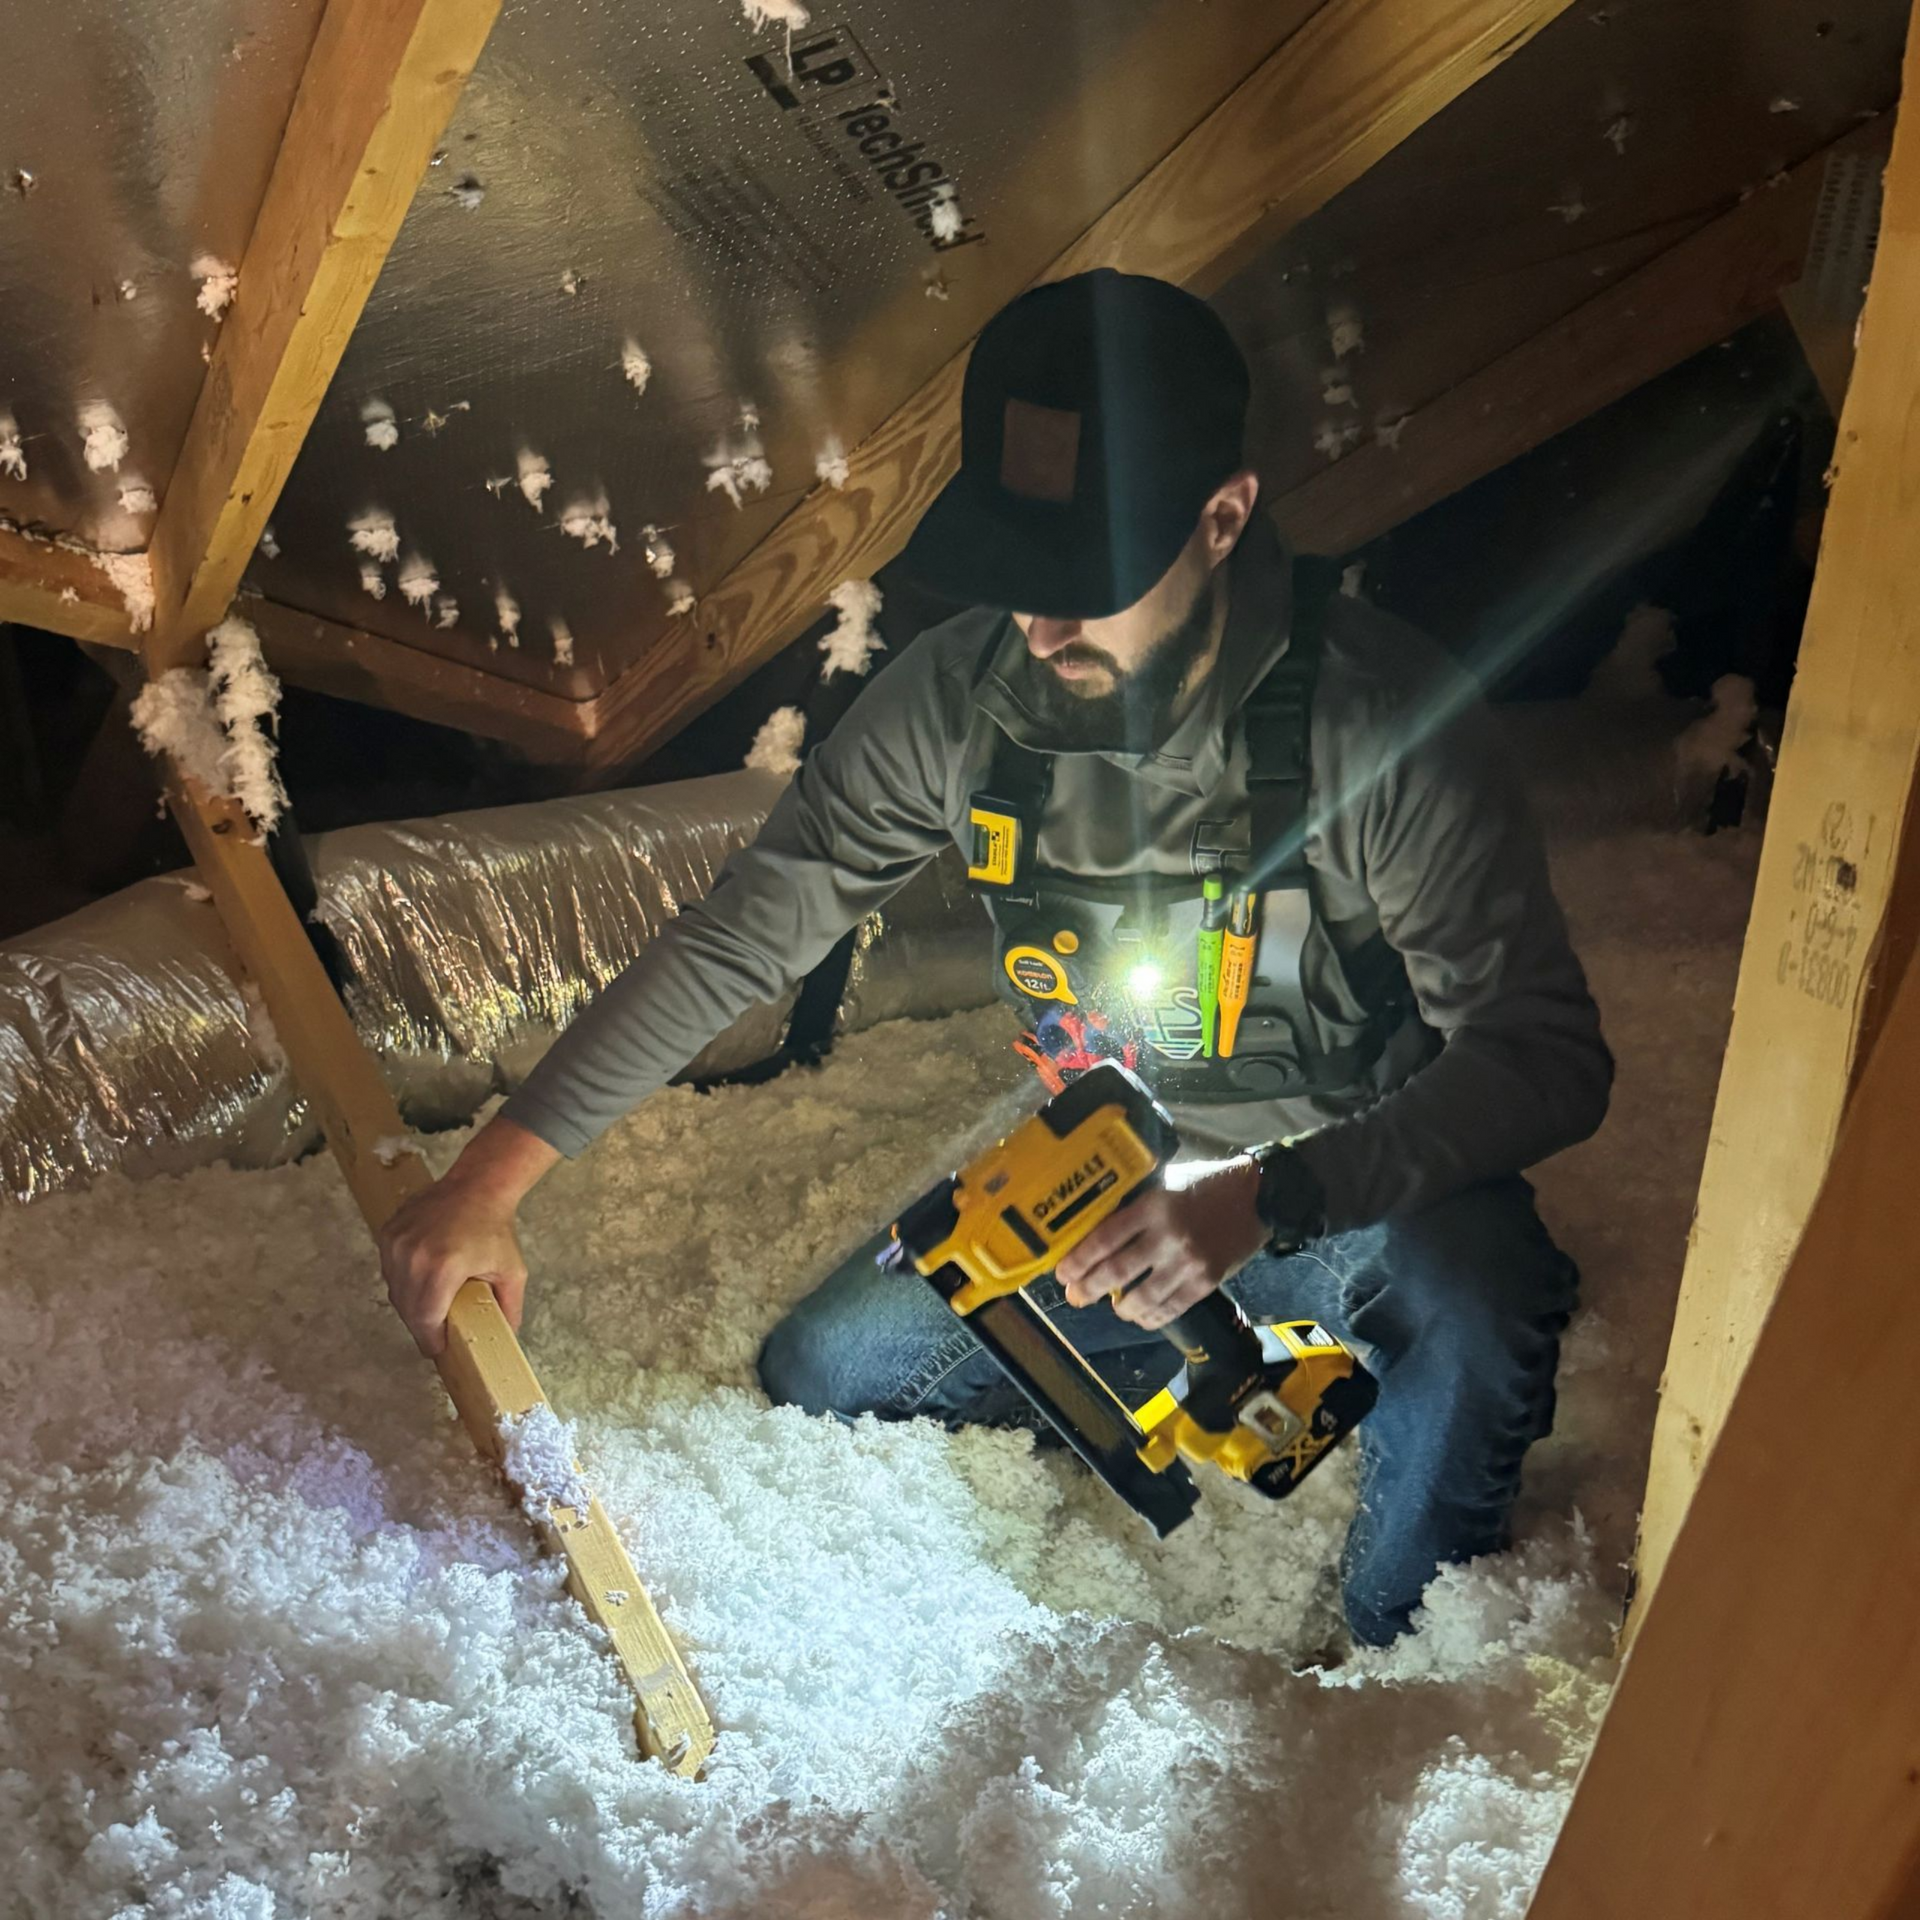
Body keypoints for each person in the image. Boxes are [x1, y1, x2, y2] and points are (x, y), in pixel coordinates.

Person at [379, 270, 1611, 1647]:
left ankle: (1400, 1625)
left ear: (1223, 519)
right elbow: (750, 929)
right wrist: (491, 1181)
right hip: (1120, 1157)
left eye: (1086, 584)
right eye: (1019, 580)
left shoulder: (1379, 732)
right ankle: (1184, 1334)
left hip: (1355, 1175)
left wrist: (1267, 1200)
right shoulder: (967, 701)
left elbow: (1548, 1058)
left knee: (1461, 1360)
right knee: (830, 1367)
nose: (1042, 630)